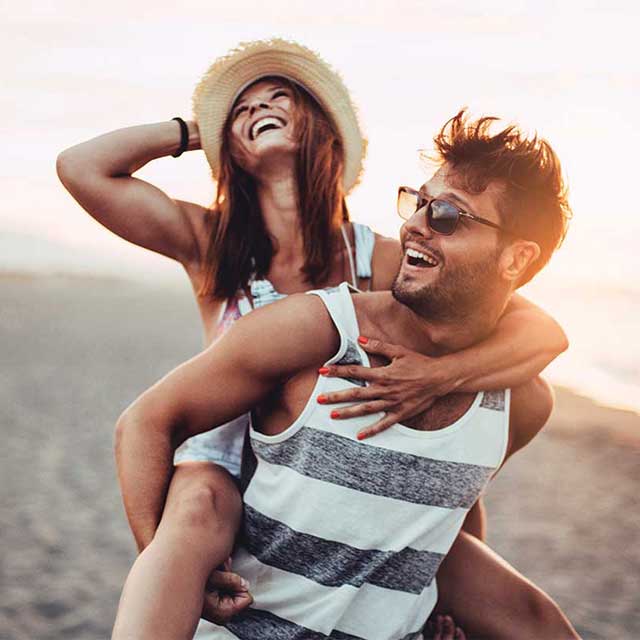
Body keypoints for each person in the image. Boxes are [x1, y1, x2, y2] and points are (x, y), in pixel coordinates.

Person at [55, 40, 567, 637]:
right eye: (243, 108)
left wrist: (436, 376)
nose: (259, 108)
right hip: (225, 453)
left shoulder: (382, 254)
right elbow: (81, 167)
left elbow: (539, 329)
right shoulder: (213, 243)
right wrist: (202, 131)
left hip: (336, 452)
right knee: (192, 512)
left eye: (280, 99)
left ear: (328, 136)